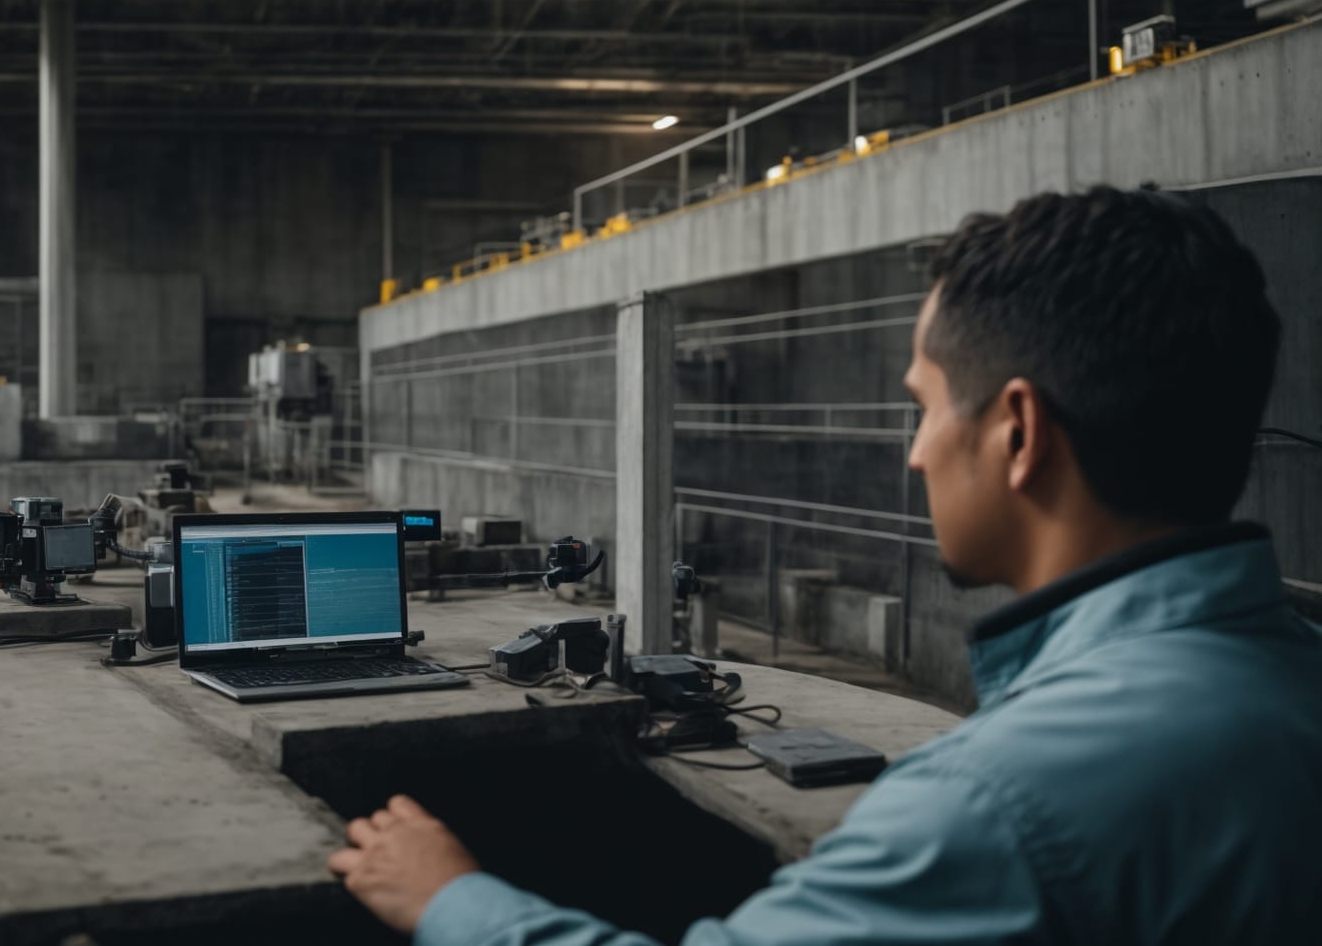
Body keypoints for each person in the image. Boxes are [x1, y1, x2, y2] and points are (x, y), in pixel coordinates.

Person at [328, 186, 1322, 945]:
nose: (914, 450)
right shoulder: (1288, 675)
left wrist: (451, 898)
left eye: (924, 404)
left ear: (1017, 432)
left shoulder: (997, 802)